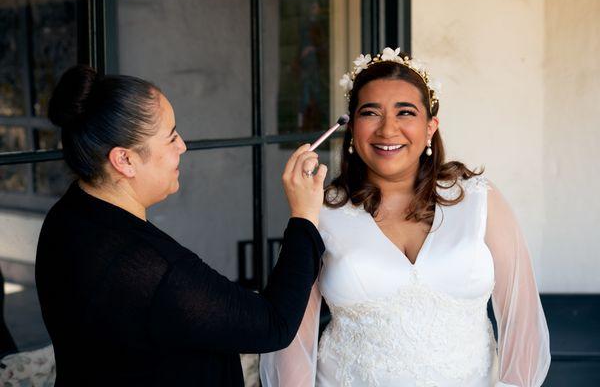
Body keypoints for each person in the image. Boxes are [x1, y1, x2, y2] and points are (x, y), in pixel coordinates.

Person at [260, 48, 551, 387]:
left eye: (405, 113)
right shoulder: (320, 209)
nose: (388, 129)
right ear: (352, 127)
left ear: (430, 127)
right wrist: (302, 215)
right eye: (371, 113)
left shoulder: (479, 200)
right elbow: (293, 334)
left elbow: (522, 321)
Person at [35, 65, 328, 386]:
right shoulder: (152, 270)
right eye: (171, 136)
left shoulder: (66, 216)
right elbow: (275, 324)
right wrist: (303, 215)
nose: (183, 146)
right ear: (125, 160)